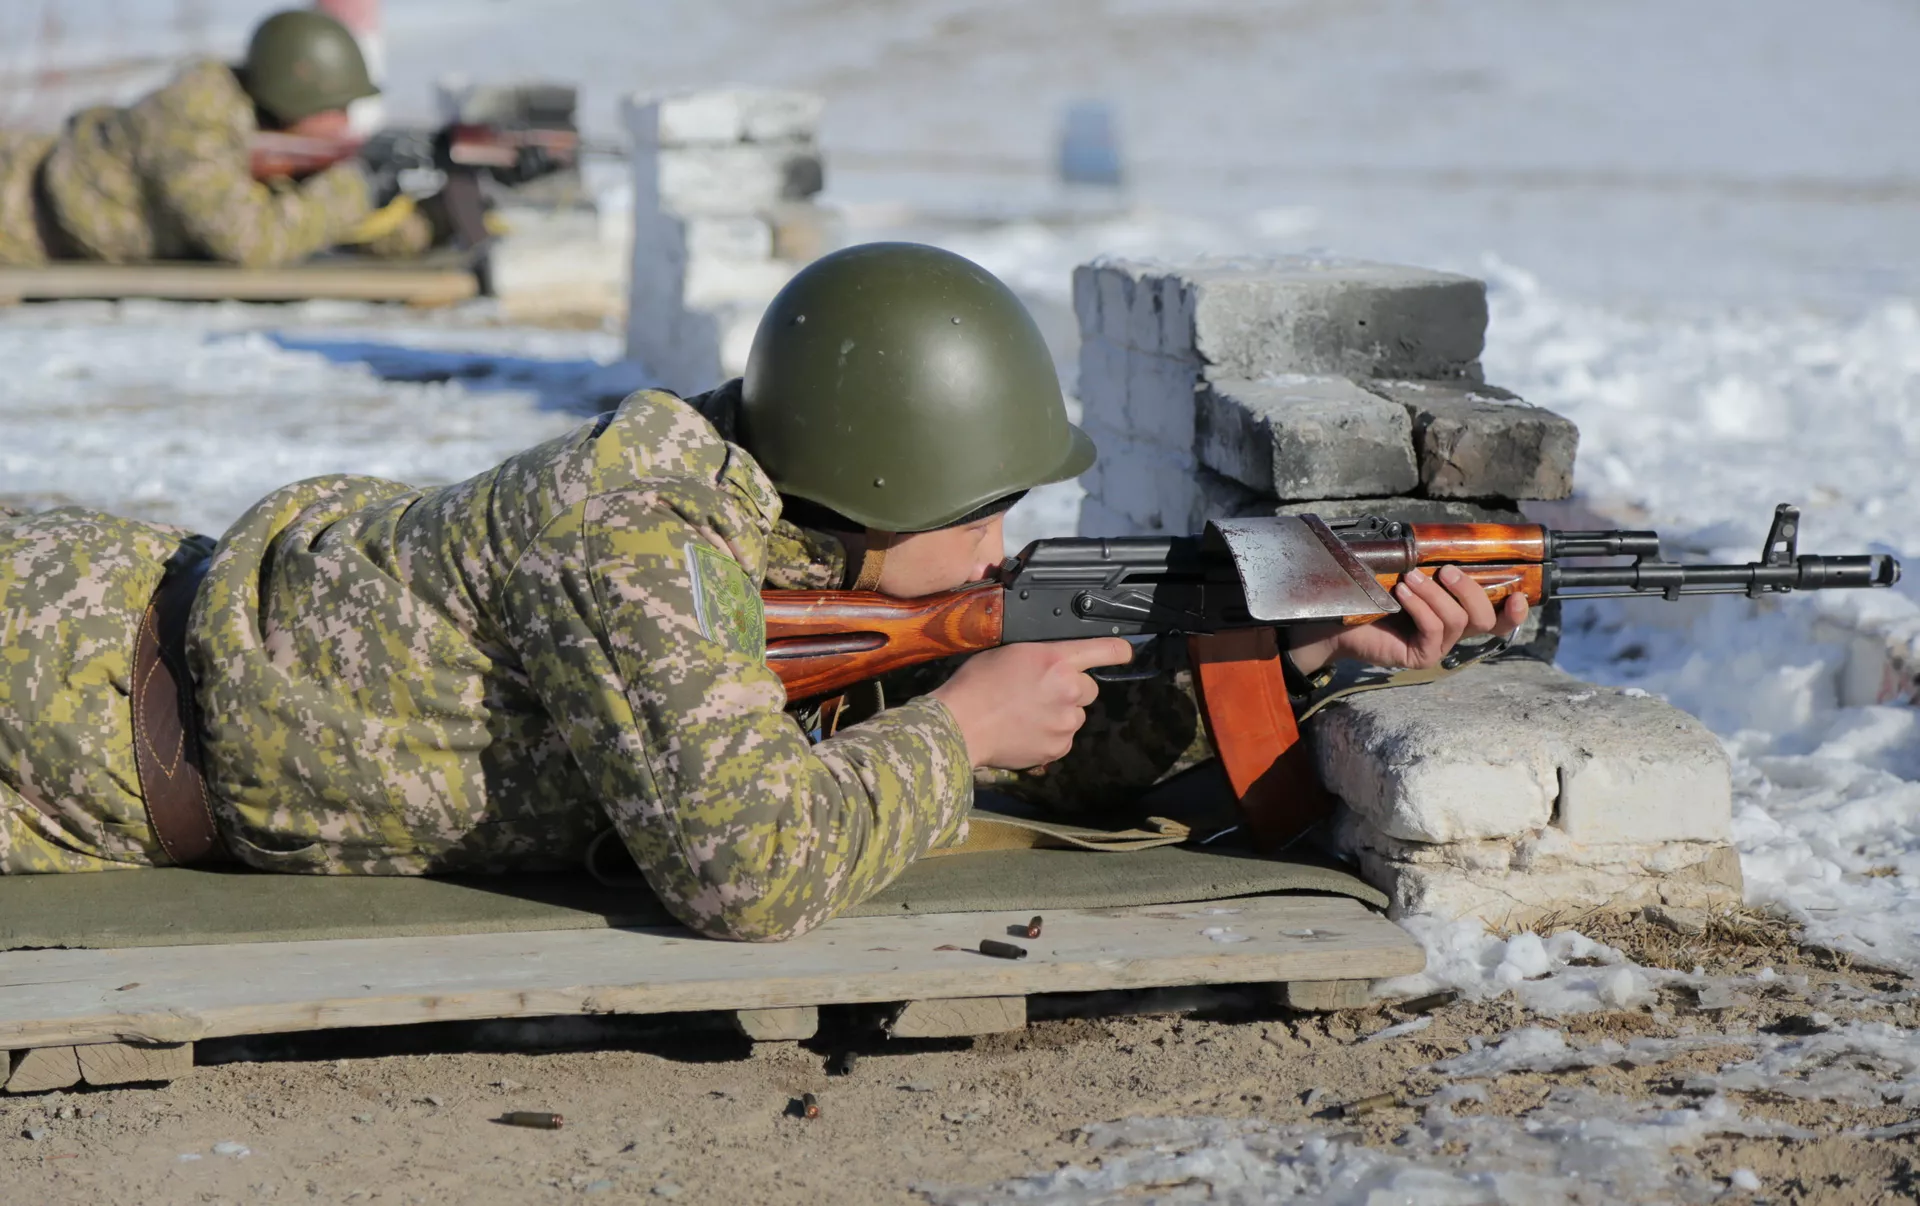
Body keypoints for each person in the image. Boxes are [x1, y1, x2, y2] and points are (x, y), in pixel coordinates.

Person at [0, 242, 1526, 942]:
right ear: (873, 485)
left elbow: (1031, 743)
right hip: (54, 706)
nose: (1004, 548)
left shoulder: (785, 532)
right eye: (983, 511)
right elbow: (747, 874)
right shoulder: (634, 547)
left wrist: (1294, 647)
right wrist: (959, 731)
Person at [0, 9, 429, 269]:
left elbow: (325, 223)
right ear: (292, 98)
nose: (344, 125)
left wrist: (428, 203)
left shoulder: (266, 136)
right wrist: (360, 185)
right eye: (333, 109)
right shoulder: (191, 125)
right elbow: (250, 241)